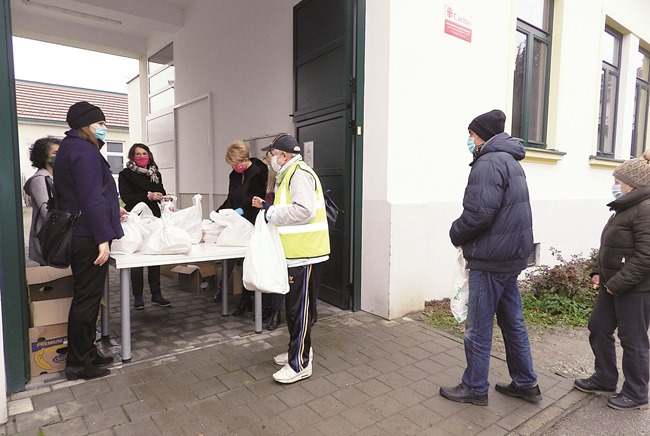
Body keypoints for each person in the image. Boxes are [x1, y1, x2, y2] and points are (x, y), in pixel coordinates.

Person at [440, 109, 541, 406]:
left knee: (478, 326)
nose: (469, 140)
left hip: (491, 258)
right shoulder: (510, 160)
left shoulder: (487, 163)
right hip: (511, 256)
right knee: (513, 322)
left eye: (471, 134)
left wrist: (455, 233)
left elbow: (479, 214)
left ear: (482, 134)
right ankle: (526, 383)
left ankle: (474, 388)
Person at [573, 153, 650, 411]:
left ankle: (637, 392)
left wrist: (617, 284)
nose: (614, 183)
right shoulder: (626, 206)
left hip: (636, 289)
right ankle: (605, 378)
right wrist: (597, 269)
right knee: (598, 327)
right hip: (612, 283)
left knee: (634, 340)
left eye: (618, 179)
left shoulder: (645, 209)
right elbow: (610, 244)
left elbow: (646, 256)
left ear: (632, 183)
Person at [55, 101, 124, 380]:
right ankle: (78, 364)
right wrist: (103, 238)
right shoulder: (84, 151)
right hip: (87, 235)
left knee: (88, 297)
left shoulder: (70, 148)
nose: (104, 128)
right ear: (87, 125)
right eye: (101, 124)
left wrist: (113, 209)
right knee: (87, 299)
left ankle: (86, 351)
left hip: (81, 230)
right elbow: (90, 197)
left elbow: (84, 194)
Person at [252, 133, 330, 384]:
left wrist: (271, 213)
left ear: (283, 155)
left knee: (300, 310)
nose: (270, 159)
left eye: (271, 155)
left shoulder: (298, 174)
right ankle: (297, 350)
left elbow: (304, 211)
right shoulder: (289, 173)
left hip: (305, 253)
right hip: (296, 253)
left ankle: (300, 363)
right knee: (295, 309)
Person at [217, 140, 268, 316]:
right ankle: (229, 291)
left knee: (250, 260)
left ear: (245, 159)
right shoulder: (234, 174)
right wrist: (218, 213)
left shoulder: (259, 171)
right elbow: (231, 198)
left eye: (236, 164)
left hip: (253, 221)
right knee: (231, 256)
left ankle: (248, 297)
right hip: (238, 222)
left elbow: (256, 199)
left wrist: (241, 210)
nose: (234, 167)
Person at [118, 143, 171, 310]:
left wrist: (165, 200)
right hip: (136, 217)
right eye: (137, 154)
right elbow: (126, 196)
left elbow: (161, 191)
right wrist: (148, 195)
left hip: (154, 217)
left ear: (149, 155)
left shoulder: (154, 173)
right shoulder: (125, 174)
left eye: (144, 153)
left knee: (154, 253)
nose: (141, 157)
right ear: (132, 157)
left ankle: (156, 294)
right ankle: (138, 296)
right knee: (137, 256)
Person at [23, 136, 61, 266]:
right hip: (49, 240)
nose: (60, 156)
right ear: (43, 156)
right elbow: (48, 213)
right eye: (55, 153)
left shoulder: (56, 177)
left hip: (57, 239)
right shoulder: (40, 180)